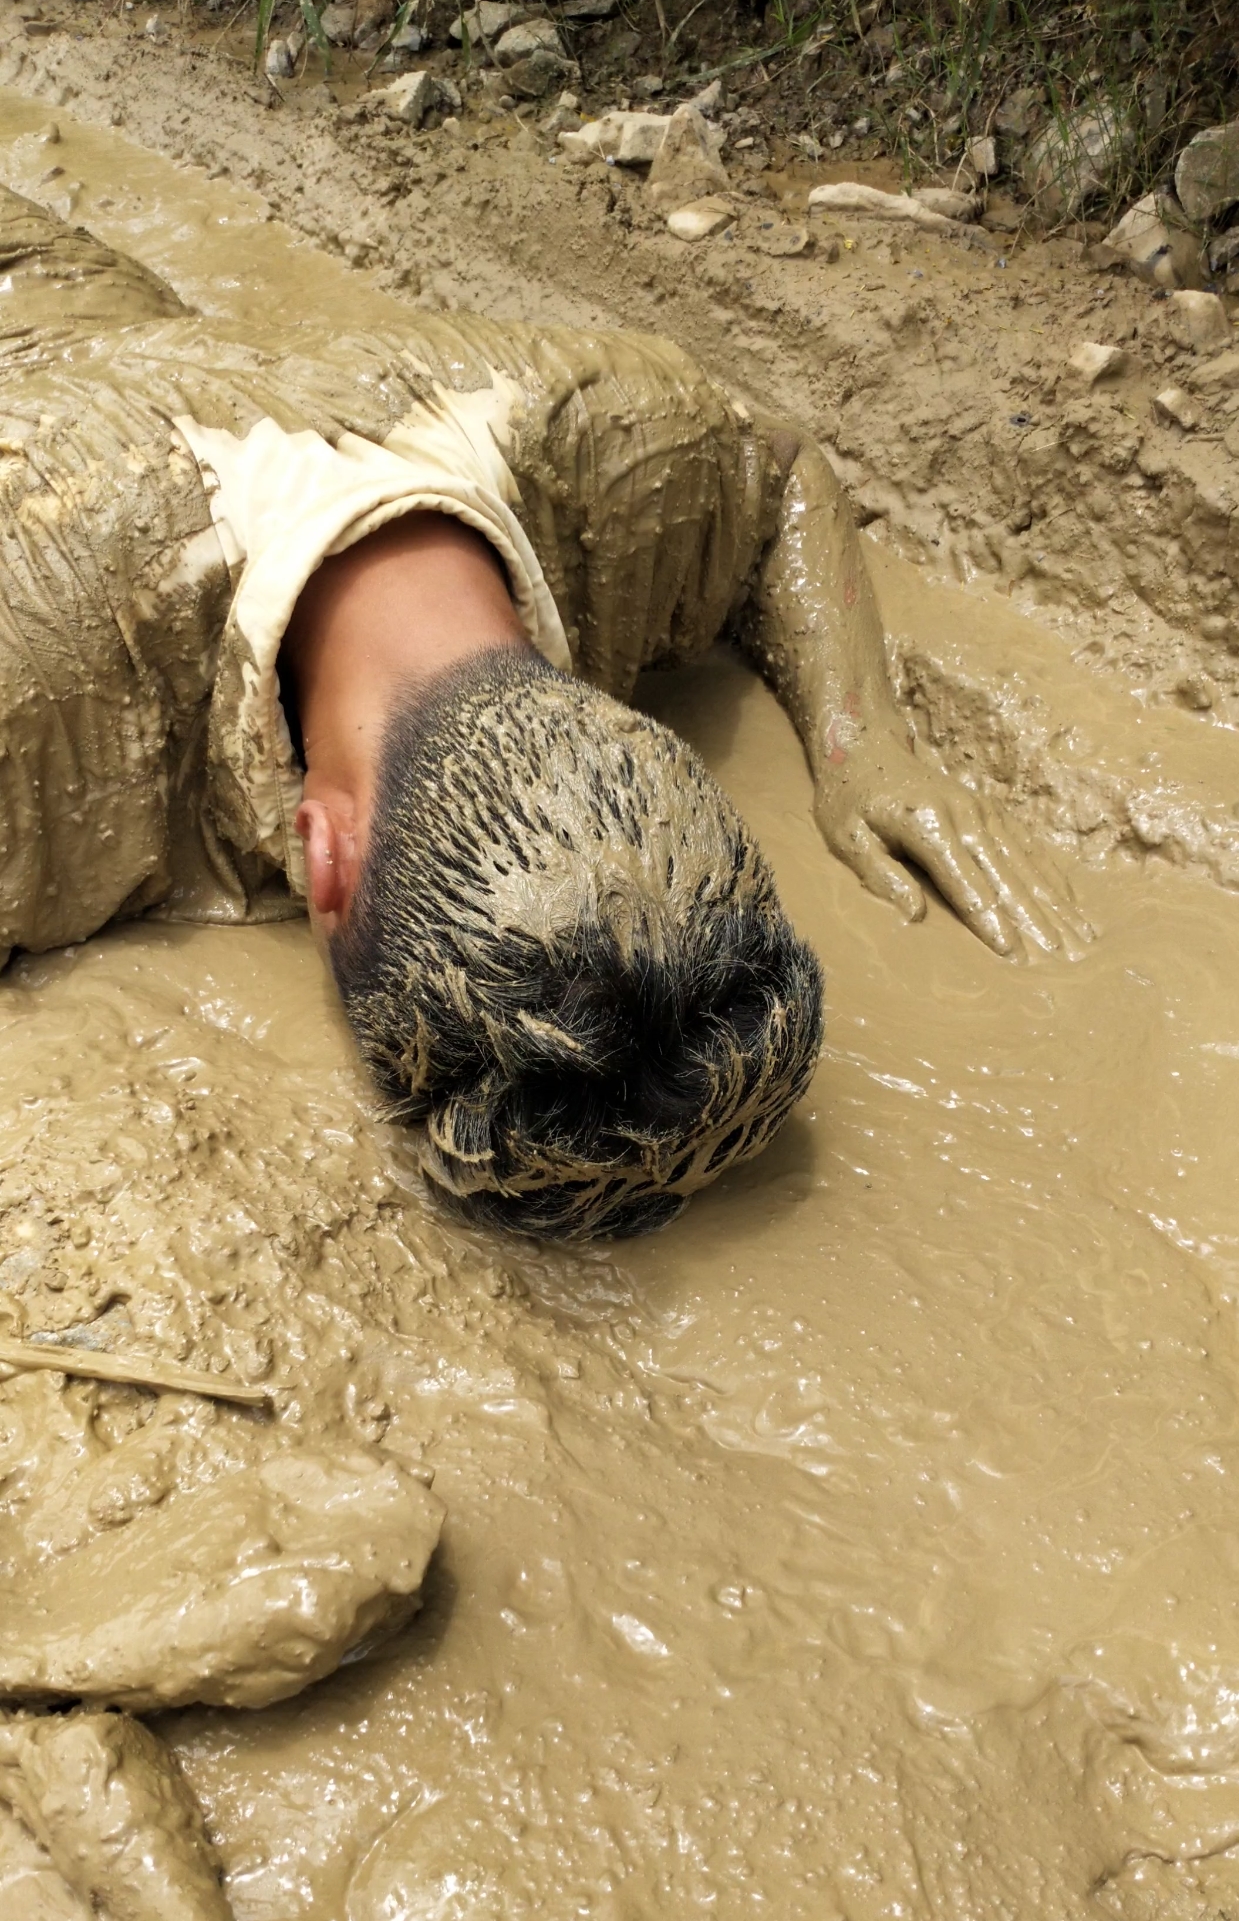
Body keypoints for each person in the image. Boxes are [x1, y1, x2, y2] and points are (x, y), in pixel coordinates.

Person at [0, 183, 1074, 1236]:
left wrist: (863, 750)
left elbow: (778, 465)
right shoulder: (37, 685)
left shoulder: (613, 446)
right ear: (321, 856)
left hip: (113, 328)